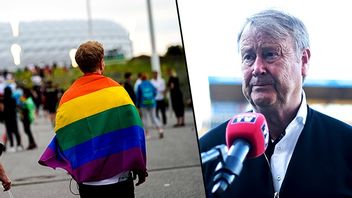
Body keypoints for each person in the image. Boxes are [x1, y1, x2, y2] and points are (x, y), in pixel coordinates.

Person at [199, 9, 352, 198]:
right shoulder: (208, 151)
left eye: (270, 54)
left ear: (303, 61)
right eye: (248, 56)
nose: (257, 68)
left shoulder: (346, 145)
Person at [38, 41, 147, 198]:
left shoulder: (68, 97)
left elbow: (65, 135)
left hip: (89, 183)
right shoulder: (117, 91)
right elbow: (134, 131)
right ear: (102, 62)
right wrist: (140, 166)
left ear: (80, 66)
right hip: (120, 179)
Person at [136, 73, 164, 139]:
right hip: (152, 103)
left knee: (145, 118)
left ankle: (147, 134)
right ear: (147, 78)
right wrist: (152, 98)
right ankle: (160, 130)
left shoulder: (140, 85)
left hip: (143, 104)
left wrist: (137, 105)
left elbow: (138, 96)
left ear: (141, 79)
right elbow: (155, 92)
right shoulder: (151, 84)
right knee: (154, 117)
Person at [3, 86, 23, 152]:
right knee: (16, 131)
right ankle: (19, 145)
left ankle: (12, 146)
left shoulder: (3, 100)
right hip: (13, 117)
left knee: (10, 132)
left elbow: (2, 110)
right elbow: (16, 107)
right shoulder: (13, 99)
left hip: (6, 118)